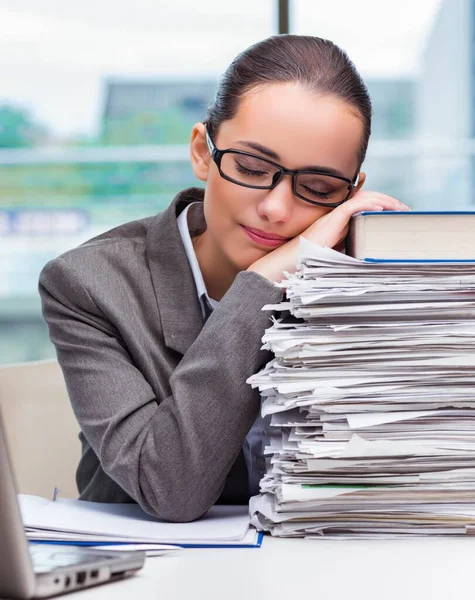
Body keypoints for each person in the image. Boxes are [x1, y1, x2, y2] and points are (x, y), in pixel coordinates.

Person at [39, 34, 410, 523]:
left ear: (349, 192)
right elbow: (169, 488)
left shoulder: (365, 282)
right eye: (253, 168)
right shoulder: (88, 284)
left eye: (318, 188)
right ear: (201, 152)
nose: (277, 209)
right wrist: (261, 283)